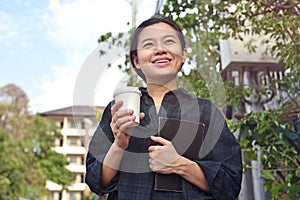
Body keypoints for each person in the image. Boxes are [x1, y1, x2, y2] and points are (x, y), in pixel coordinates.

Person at [85, 16, 242, 200]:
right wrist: (119, 146)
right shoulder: (117, 111)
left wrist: (180, 165)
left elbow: (230, 184)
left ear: (183, 54)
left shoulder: (206, 111)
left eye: (169, 41)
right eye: (149, 44)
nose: (160, 50)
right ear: (136, 60)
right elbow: (95, 181)